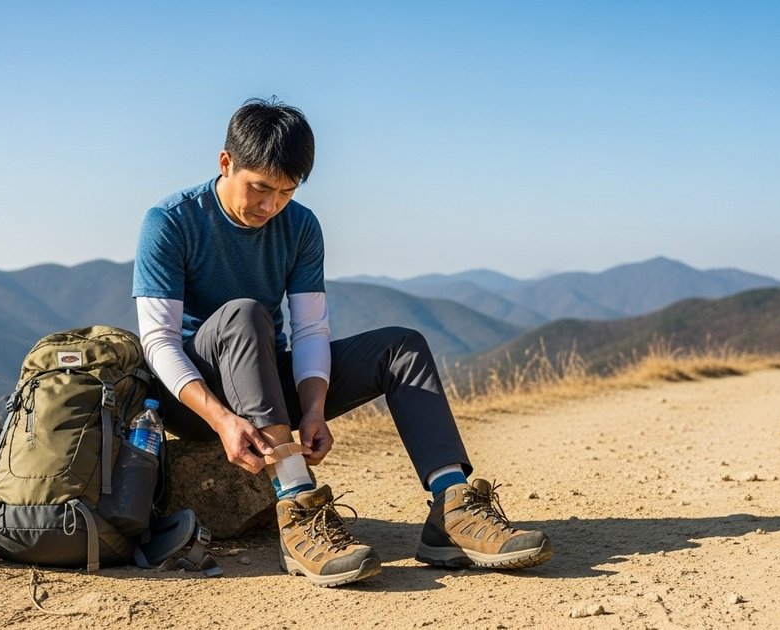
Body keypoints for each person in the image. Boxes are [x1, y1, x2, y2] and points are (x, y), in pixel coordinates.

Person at [132, 97, 552, 587]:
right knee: (245, 314)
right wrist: (223, 420)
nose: (271, 206)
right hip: (195, 395)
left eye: (286, 192)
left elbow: (311, 330)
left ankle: (452, 509)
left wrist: (313, 409)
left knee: (402, 346)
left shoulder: (302, 226)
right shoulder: (170, 222)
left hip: (266, 377)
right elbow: (158, 342)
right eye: (260, 188)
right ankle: (297, 508)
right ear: (226, 163)